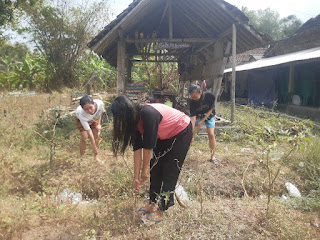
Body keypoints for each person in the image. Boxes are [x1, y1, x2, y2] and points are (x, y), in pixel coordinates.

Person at [111, 95, 192, 223]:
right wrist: (136, 177)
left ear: (127, 114)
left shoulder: (148, 114)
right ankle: (153, 203)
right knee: (156, 168)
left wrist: (144, 171)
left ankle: (162, 209)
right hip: (164, 135)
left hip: (181, 130)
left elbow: (148, 149)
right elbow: (137, 150)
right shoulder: (134, 121)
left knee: (170, 170)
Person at [189, 84, 218, 163]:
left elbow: (211, 109)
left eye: (195, 97)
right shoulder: (192, 102)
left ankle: (213, 156)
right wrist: (192, 130)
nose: (194, 99)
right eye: (192, 97)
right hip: (198, 116)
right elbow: (193, 117)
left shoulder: (210, 96)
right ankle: (185, 154)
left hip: (209, 116)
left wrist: (202, 121)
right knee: (191, 135)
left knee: (211, 134)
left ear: (200, 92)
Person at [76, 95, 104, 161]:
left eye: (91, 107)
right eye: (86, 109)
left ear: (94, 104)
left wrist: (98, 124)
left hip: (93, 119)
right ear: (82, 109)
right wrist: (94, 146)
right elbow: (89, 132)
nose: (90, 111)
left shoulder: (100, 103)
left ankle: (96, 158)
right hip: (82, 121)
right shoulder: (81, 114)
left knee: (96, 134)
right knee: (84, 137)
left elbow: (100, 112)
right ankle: (82, 158)